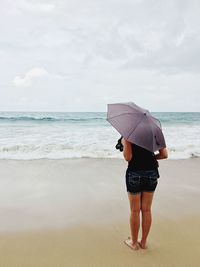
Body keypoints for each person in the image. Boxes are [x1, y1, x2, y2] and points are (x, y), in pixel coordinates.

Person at [121, 138, 168, 250]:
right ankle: (143, 242)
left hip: (134, 173)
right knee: (146, 209)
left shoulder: (129, 134)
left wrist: (124, 142)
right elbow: (164, 155)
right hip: (151, 173)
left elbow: (128, 157)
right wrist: (151, 157)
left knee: (135, 210)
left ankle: (133, 243)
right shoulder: (155, 131)